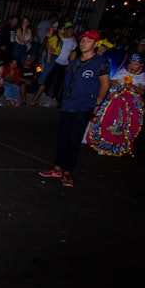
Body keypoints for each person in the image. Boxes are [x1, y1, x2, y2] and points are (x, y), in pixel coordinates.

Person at [37, 29, 110, 188]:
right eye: (83, 40)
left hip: (84, 106)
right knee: (63, 137)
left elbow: (105, 85)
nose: (84, 43)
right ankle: (57, 168)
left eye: (89, 41)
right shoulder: (75, 61)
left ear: (96, 44)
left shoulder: (100, 63)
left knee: (74, 139)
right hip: (68, 104)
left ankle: (68, 172)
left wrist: (97, 103)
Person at [85, 52, 145, 156]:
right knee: (105, 117)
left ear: (140, 65)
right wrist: (115, 83)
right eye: (132, 63)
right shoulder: (123, 71)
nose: (133, 66)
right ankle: (99, 142)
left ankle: (114, 145)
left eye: (136, 64)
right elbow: (110, 81)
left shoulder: (142, 76)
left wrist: (132, 87)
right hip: (115, 99)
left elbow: (142, 92)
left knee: (123, 124)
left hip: (130, 103)